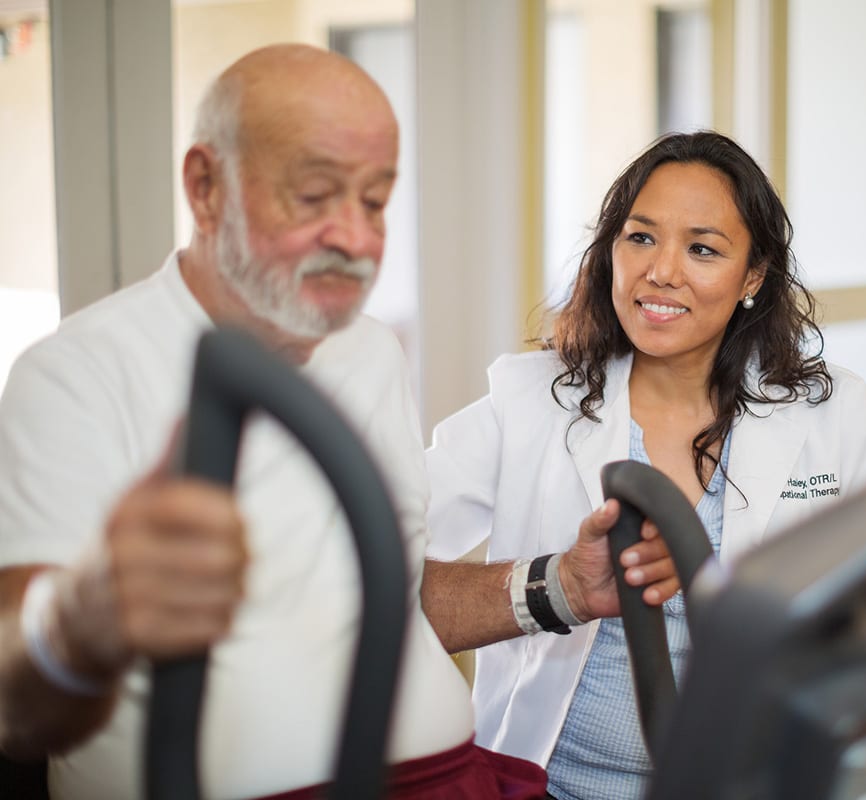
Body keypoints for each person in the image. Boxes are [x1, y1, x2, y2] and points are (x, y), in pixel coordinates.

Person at [0, 44, 676, 800]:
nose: (357, 239)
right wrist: (87, 616)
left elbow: (390, 598)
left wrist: (565, 589)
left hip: (448, 780)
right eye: (316, 196)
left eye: (376, 201)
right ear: (205, 186)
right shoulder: (74, 375)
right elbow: (16, 711)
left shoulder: (370, 352)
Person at [424, 130, 866, 799]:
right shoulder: (526, 400)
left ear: (753, 276)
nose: (662, 271)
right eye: (641, 237)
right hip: (556, 787)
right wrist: (550, 585)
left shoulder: (833, 410)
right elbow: (374, 552)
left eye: (702, 248)